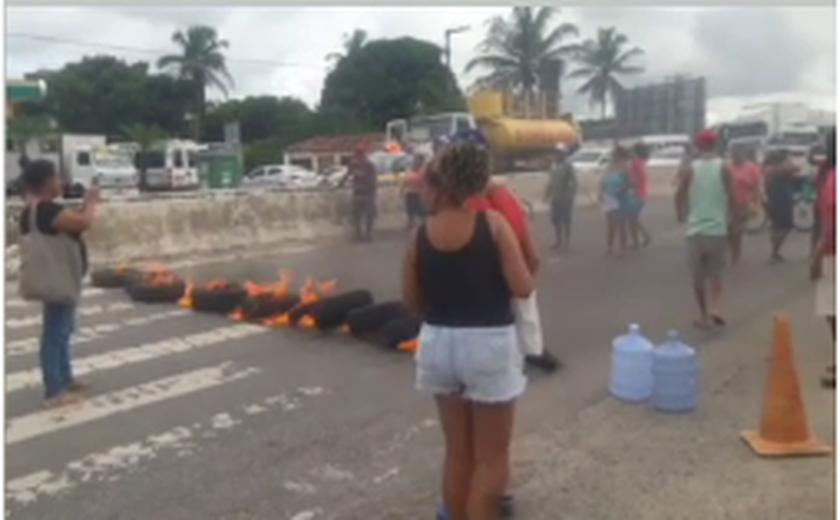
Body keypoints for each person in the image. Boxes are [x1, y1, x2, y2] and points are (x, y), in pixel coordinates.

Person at [403, 140, 533, 520]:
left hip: (438, 343)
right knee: (490, 460)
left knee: (458, 454)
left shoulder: (420, 235)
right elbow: (523, 287)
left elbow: (413, 298)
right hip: (488, 343)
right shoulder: (492, 225)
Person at [19, 159, 99, 406]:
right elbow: (83, 223)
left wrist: (85, 204)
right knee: (55, 333)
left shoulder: (38, 209)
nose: (61, 182)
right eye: (56, 177)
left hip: (58, 277)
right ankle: (54, 389)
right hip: (59, 278)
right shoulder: (45, 210)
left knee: (63, 330)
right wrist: (92, 203)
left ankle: (65, 378)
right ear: (45, 182)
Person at [675, 130, 735, 330]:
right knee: (716, 273)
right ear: (716, 145)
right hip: (717, 228)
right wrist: (732, 217)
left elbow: (679, 195)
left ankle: (703, 314)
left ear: (697, 146)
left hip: (695, 229)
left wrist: (681, 214)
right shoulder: (724, 168)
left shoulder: (690, 169)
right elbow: (732, 195)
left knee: (698, 276)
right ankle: (716, 308)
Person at [810, 128, 836, 389]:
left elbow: (832, 226)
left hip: (834, 254)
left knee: (833, 311)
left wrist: (816, 256)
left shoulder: (833, 181)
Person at [726, 145, 763, 265]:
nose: (735, 157)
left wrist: (756, 204)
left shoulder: (752, 169)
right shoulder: (727, 168)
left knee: (737, 232)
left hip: (743, 204)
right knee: (727, 231)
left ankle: (735, 255)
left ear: (744, 155)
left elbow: (756, 188)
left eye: (737, 154)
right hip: (727, 204)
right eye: (733, 154)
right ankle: (729, 252)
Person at [763, 148, 799, 262]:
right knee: (784, 227)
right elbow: (796, 168)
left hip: (774, 196)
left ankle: (774, 252)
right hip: (783, 198)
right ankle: (774, 252)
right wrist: (788, 161)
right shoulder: (780, 168)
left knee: (776, 226)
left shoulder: (769, 169)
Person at [337, 145, 378, 242]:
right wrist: (339, 184)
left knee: (369, 215)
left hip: (367, 193)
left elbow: (373, 179)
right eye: (358, 153)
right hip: (358, 193)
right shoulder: (353, 164)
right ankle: (358, 234)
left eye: (361, 153)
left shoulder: (369, 165)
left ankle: (368, 234)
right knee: (356, 215)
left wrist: (373, 192)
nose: (359, 156)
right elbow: (347, 175)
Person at [599, 146, 632, 256]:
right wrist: (600, 193)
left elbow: (631, 183)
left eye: (615, 154)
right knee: (610, 225)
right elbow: (603, 181)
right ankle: (609, 247)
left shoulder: (625, 168)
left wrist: (621, 190)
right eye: (612, 154)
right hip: (609, 197)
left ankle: (623, 248)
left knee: (621, 225)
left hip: (620, 198)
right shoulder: (608, 167)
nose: (613, 156)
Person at [545, 144, 577, 250]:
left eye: (560, 152)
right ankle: (558, 240)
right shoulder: (553, 166)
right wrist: (546, 194)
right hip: (555, 197)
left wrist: (571, 194)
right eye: (556, 152)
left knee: (566, 220)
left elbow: (574, 181)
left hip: (565, 198)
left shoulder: (567, 166)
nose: (557, 154)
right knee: (556, 220)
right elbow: (551, 182)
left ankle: (567, 242)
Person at [628, 143, 652, 248]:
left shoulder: (635, 163)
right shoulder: (641, 162)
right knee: (634, 219)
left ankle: (638, 240)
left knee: (632, 219)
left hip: (636, 194)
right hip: (642, 193)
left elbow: (633, 181)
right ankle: (643, 237)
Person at [402, 154, 427, 229]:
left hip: (419, 194)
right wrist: (402, 190)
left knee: (421, 211)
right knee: (410, 211)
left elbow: (426, 183)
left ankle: (423, 226)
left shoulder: (423, 171)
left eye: (419, 161)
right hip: (410, 193)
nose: (416, 163)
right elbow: (404, 181)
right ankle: (411, 224)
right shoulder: (409, 170)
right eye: (416, 161)